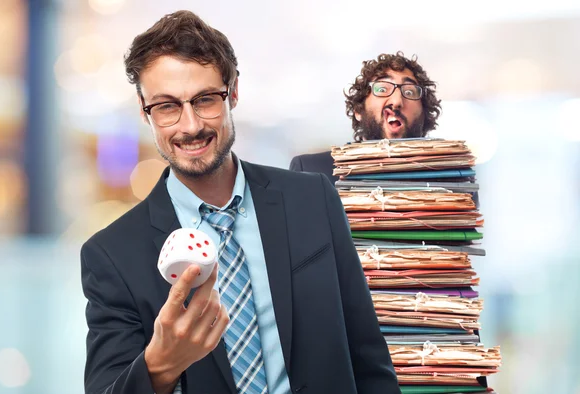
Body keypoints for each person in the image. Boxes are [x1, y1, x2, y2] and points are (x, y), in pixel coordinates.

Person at [80, 10, 400, 394]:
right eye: (166, 107)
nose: (190, 126)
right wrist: (159, 366)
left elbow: (369, 358)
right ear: (143, 110)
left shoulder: (312, 200)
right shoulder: (111, 255)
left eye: (204, 100)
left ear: (232, 92)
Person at [289, 52, 442, 183]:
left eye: (409, 92)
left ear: (424, 113)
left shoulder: (457, 178)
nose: (396, 101)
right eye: (382, 89)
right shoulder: (311, 171)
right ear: (358, 110)